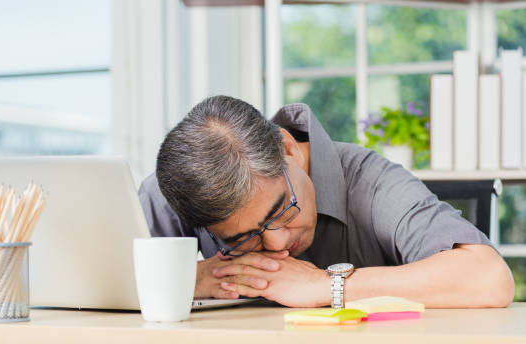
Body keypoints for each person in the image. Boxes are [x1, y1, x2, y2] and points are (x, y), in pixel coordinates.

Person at [138, 95, 514, 308]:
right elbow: (91, 281)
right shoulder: (178, 188)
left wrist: (324, 287)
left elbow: (489, 278)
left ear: (287, 148)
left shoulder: (372, 180)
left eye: (281, 211)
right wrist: (189, 278)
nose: (278, 246)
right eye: (243, 238)